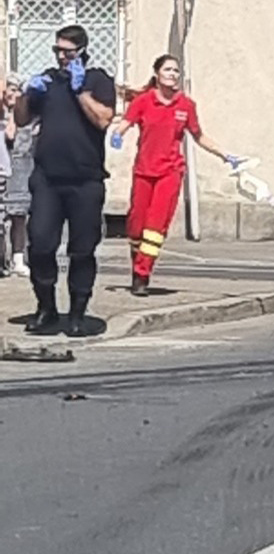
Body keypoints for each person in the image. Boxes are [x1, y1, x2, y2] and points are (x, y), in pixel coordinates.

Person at [109, 54, 244, 294]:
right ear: (157, 74)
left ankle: (142, 275)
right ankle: (137, 264)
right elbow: (126, 122)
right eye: (168, 70)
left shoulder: (186, 106)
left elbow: (199, 136)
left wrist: (226, 155)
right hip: (143, 171)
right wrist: (117, 135)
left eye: (176, 71)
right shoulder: (144, 101)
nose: (173, 74)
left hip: (170, 172)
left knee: (155, 226)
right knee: (136, 225)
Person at [15, 25, 117, 336]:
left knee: (82, 249)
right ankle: (46, 308)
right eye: (57, 50)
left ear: (82, 51)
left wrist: (80, 91)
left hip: (86, 180)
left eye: (68, 52)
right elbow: (21, 119)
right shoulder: (49, 80)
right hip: (48, 179)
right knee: (42, 245)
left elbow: (103, 119)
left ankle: (77, 313)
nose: (61, 56)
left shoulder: (97, 79)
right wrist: (26, 93)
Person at [4, 77, 36, 277]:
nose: (13, 94)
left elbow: (12, 135)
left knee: (18, 214)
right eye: (10, 89)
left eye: (18, 90)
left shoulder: (25, 116)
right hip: (5, 169)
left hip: (17, 171)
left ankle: (17, 257)